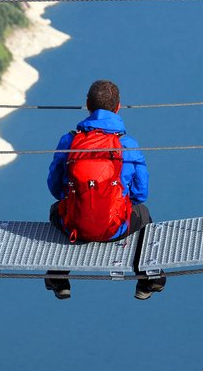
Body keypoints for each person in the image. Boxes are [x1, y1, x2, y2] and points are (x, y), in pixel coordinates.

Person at [45, 79, 166, 300]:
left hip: (75, 228)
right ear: (118, 107)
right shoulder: (128, 144)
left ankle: (58, 276)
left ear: (87, 105)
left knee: (56, 209)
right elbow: (141, 194)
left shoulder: (69, 141)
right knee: (144, 214)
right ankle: (148, 280)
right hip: (115, 228)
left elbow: (55, 187)